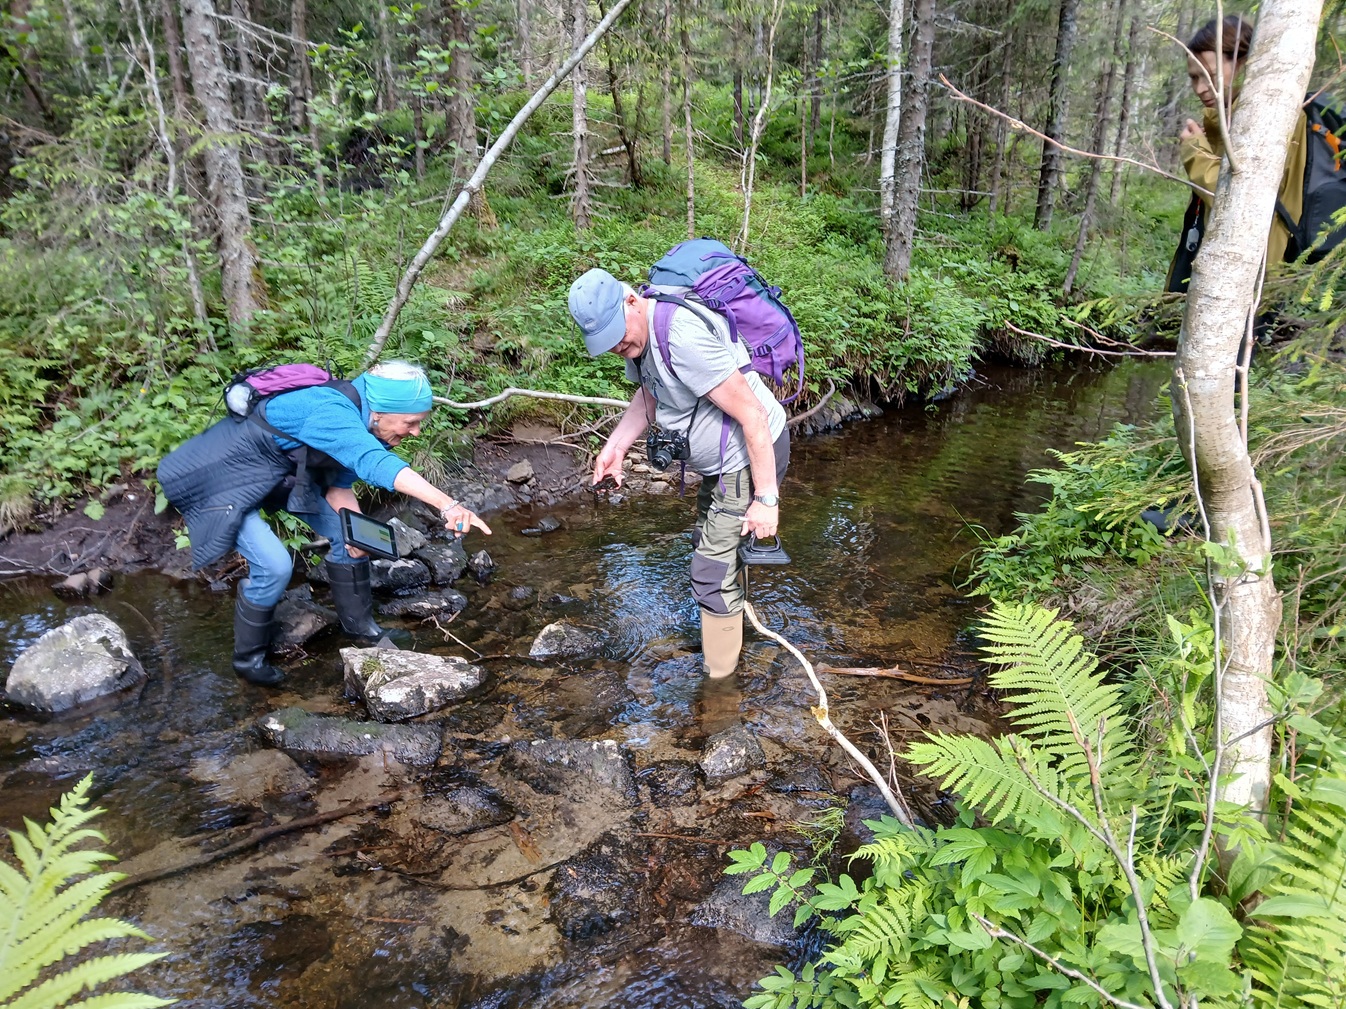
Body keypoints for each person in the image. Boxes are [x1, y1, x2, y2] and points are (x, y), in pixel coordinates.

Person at [157, 360, 490, 687]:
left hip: (280, 477)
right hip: (222, 480)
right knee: (274, 566)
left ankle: (362, 629)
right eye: (411, 422)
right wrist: (447, 504)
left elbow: (339, 486)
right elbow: (373, 462)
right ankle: (249, 660)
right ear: (381, 412)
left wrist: (357, 534)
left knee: (350, 540)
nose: (416, 431)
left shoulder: (365, 421)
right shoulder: (330, 410)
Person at [568, 267, 788, 680]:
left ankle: (721, 688)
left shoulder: (681, 337)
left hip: (746, 458)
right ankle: (735, 637)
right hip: (722, 465)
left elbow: (753, 415)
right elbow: (649, 392)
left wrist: (765, 500)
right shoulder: (639, 343)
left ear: (632, 301)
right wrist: (615, 447)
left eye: (617, 333)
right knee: (713, 549)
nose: (616, 345)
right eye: (605, 342)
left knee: (708, 571)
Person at [1170, 14, 1306, 284]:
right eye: (1193, 78)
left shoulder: (1275, 118)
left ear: (1243, 63)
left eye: (1209, 75)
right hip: (1226, 274)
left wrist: (1196, 154)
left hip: (1256, 280)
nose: (1199, 88)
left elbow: (1242, 204)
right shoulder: (1227, 120)